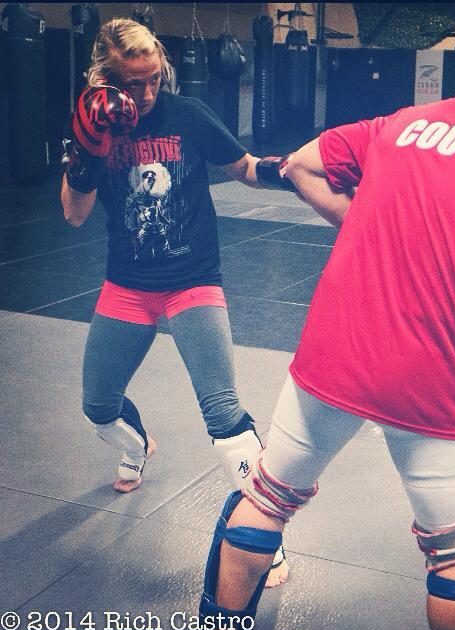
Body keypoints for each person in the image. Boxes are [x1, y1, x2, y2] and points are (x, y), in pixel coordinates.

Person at [190, 22, 455, 630]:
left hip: (333, 358)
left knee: (266, 498)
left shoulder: (406, 122)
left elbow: (302, 163)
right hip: (435, 385)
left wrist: (364, 221)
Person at [60, 17, 290, 587]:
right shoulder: (94, 126)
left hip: (193, 282)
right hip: (126, 285)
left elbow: (245, 168)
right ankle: (137, 446)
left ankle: (263, 536)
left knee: (223, 413)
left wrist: (294, 171)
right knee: (97, 406)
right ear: (104, 81)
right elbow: (74, 213)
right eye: (132, 83)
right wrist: (88, 150)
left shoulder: (188, 115)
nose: (145, 93)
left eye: (153, 79)